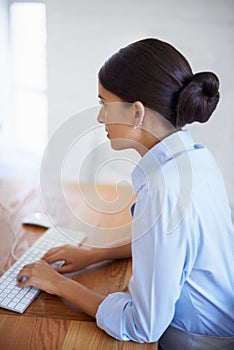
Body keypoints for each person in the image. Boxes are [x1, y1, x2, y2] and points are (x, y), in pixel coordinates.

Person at [17, 38, 234, 349]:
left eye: (104, 104)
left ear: (136, 113)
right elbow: (170, 245)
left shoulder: (164, 189)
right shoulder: (197, 158)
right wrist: (95, 255)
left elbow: (143, 325)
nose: (100, 118)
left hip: (199, 340)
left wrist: (57, 284)